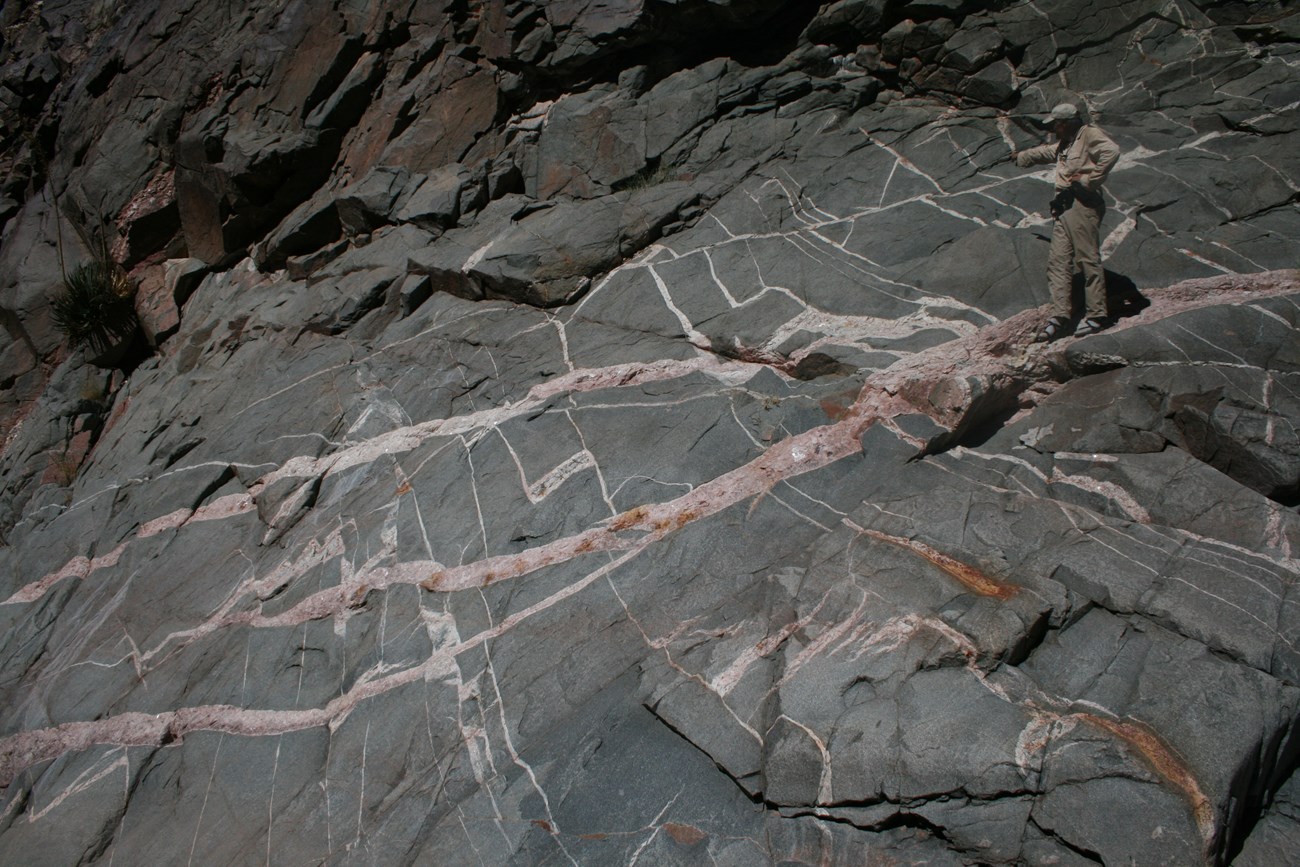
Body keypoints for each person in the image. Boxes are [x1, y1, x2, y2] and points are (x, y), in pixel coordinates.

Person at [1014, 103, 1121, 341]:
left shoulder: (1089, 135)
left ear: (1069, 122)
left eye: (1058, 124)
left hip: (1083, 204)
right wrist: (1021, 157)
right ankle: (1060, 316)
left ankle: (1096, 316)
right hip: (1063, 206)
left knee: (1087, 259)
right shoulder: (1067, 141)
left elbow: (1111, 152)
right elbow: (1048, 152)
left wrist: (1089, 180)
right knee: (1058, 262)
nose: (1055, 128)